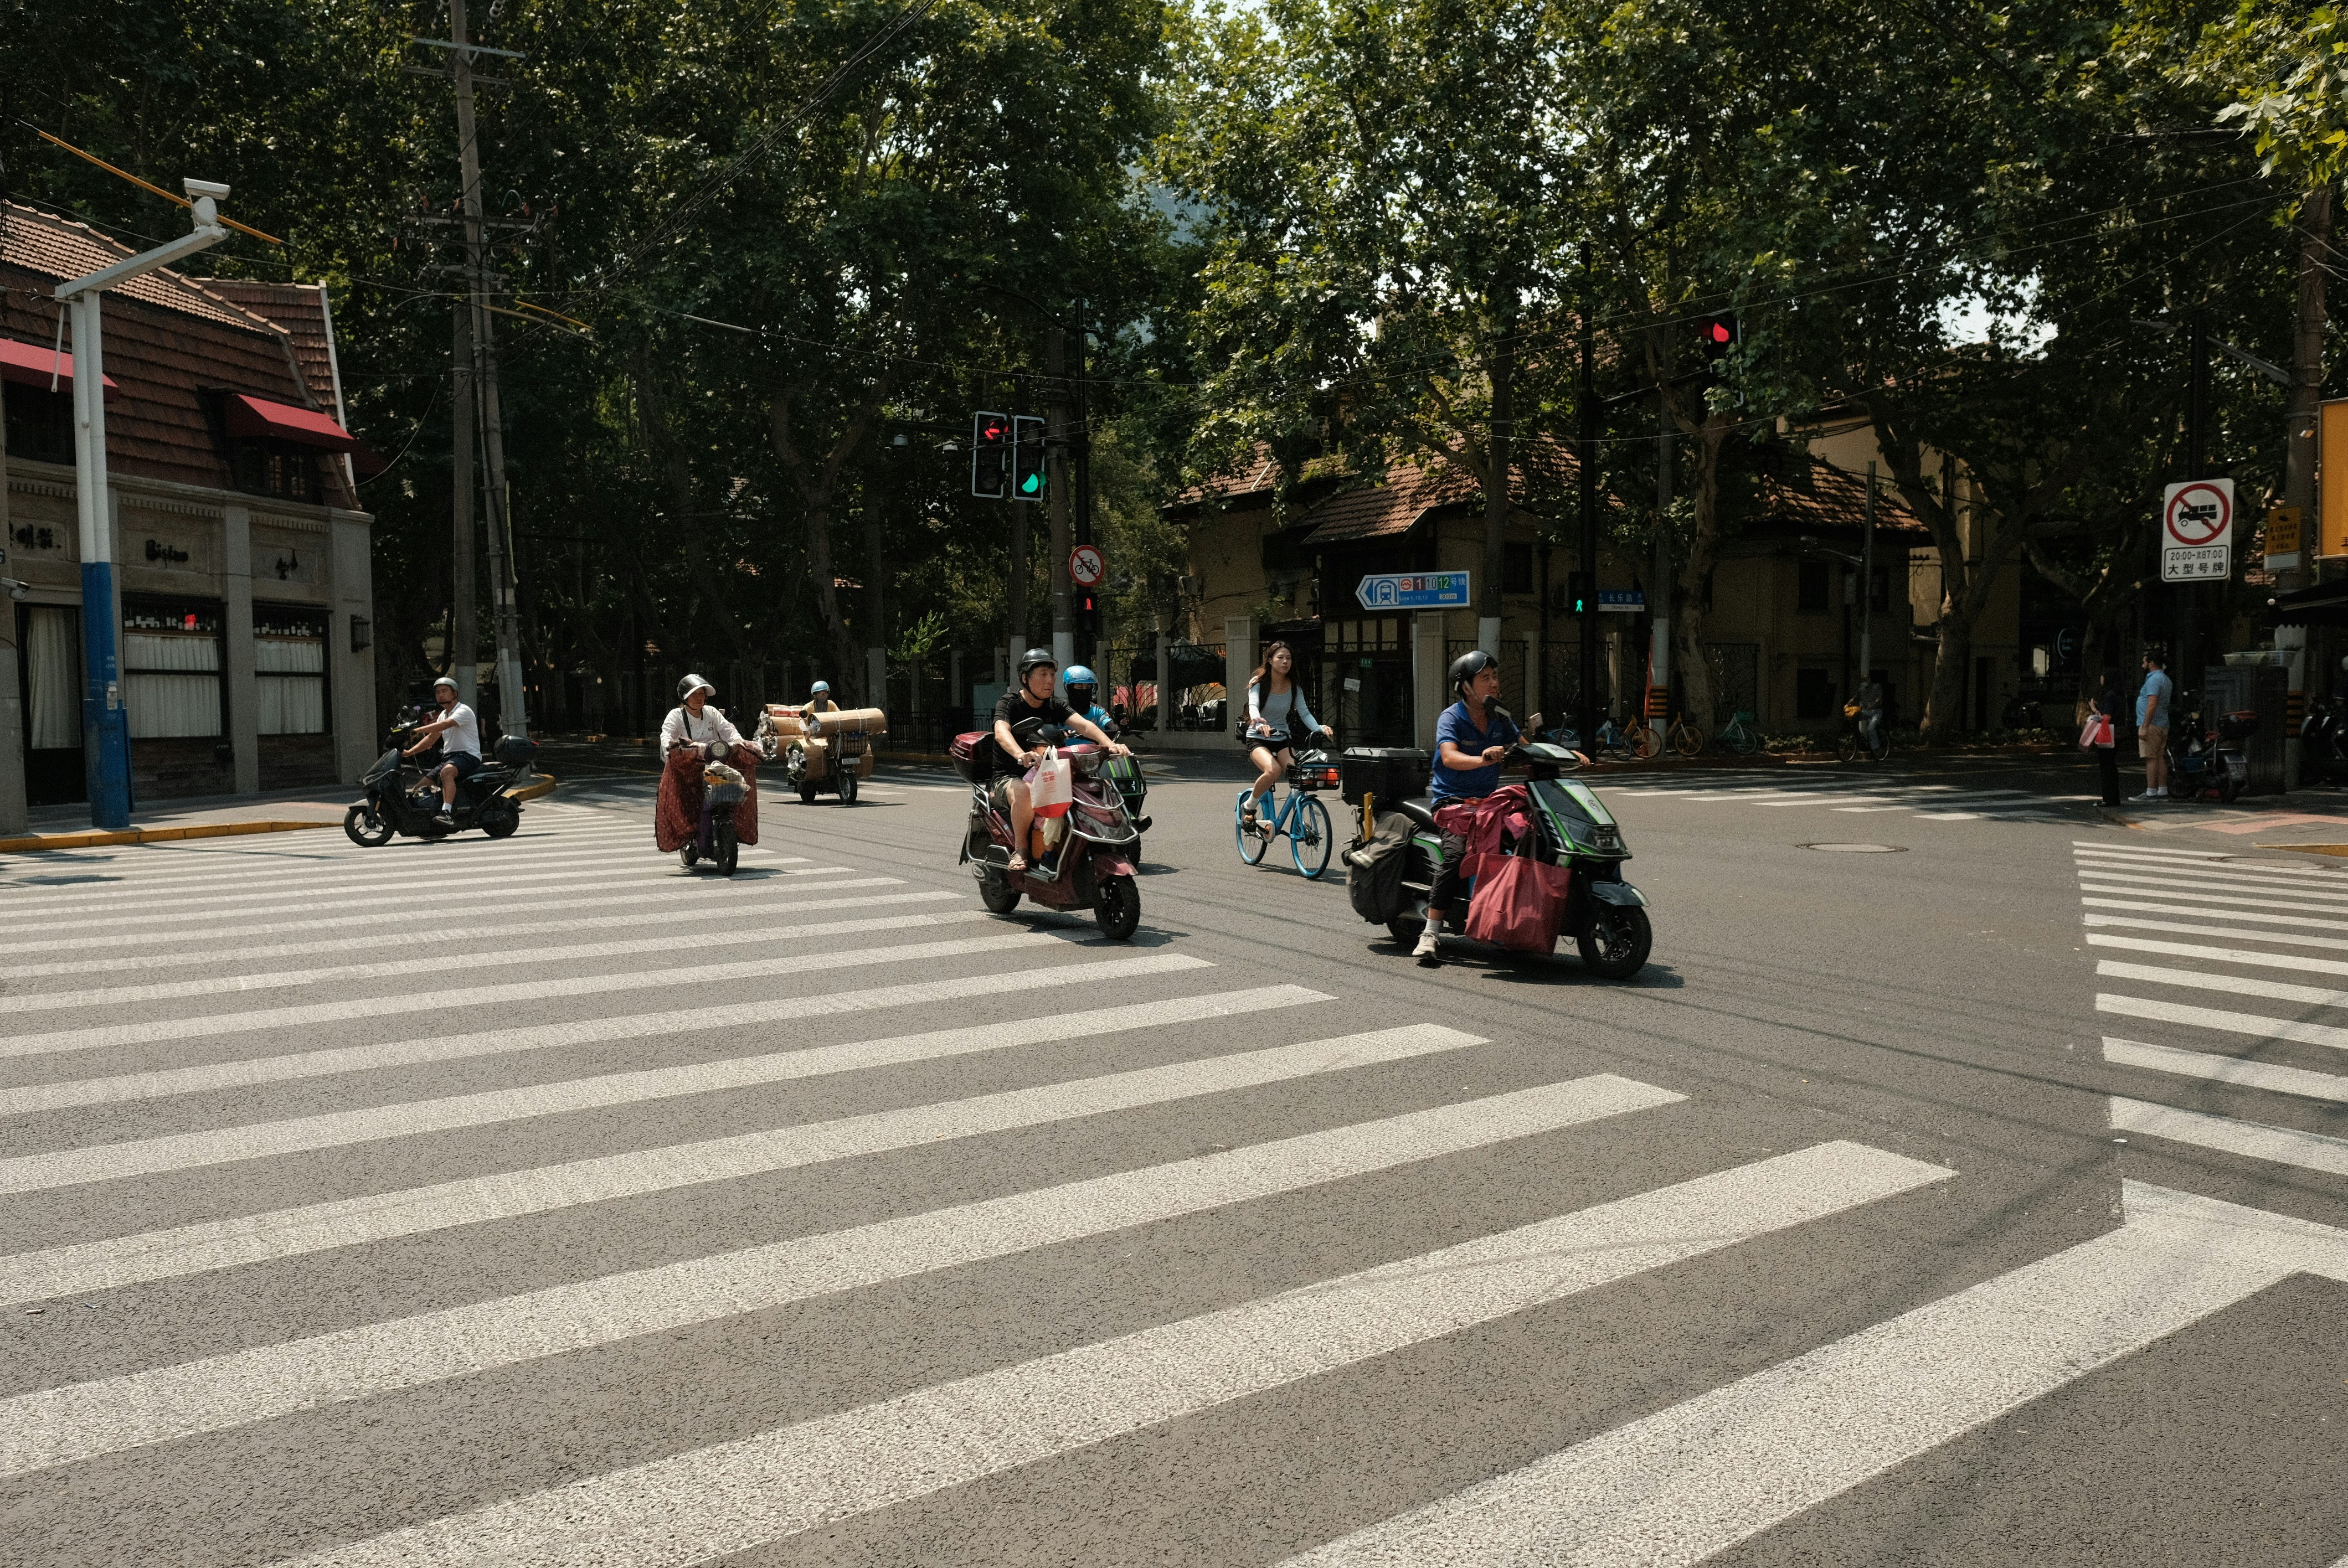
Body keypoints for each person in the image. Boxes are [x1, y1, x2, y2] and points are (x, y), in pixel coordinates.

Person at [1414, 650, 1521, 965]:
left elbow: (1526, 748)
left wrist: (1564, 755)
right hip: (1453, 803)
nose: (1495, 683)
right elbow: (1449, 757)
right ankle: (1430, 932)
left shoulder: (1500, 717)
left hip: (1489, 804)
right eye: (1486, 678)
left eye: (1495, 676)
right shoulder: (1451, 717)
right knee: (1457, 854)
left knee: (1527, 837)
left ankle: (1504, 918)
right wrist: (1482, 759)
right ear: (1466, 687)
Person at [992, 648, 1126, 873]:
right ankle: (1021, 850)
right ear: (1025, 678)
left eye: (1053, 675)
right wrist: (1020, 754)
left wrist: (1109, 744)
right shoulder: (1010, 703)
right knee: (1024, 791)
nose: (1050, 680)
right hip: (1009, 776)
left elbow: (1085, 725)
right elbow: (1001, 731)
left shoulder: (1055, 704)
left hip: (1048, 773)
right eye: (1043, 674)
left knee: (1090, 788)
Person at [1240, 639, 1334, 837]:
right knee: (1273, 770)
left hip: (1282, 738)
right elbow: (1253, 705)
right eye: (1280, 658)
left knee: (1300, 775)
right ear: (1271, 660)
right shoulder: (1259, 682)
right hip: (1258, 737)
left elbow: (1304, 713)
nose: (1285, 662)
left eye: (1289, 658)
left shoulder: (1294, 687)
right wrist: (1258, 721)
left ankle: (1298, 818)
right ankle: (1249, 806)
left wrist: (1319, 728)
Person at [401, 674, 481, 825]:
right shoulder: (443, 715)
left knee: (446, 773)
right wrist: (408, 753)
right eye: (438, 692)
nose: (440, 695)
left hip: (468, 756)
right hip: (450, 758)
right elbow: (431, 739)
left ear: (455, 693)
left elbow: (445, 725)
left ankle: (447, 813)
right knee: (419, 788)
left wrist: (418, 730)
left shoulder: (463, 710)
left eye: (445, 691)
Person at [2134, 650, 2172, 801]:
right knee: (2160, 757)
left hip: (2152, 724)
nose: (2143, 665)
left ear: (2151, 663)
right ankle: (2163, 790)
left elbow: (2152, 703)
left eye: (2145, 662)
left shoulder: (2154, 679)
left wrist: (2145, 726)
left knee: (2150, 758)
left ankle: (2151, 791)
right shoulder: (2166, 679)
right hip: (2162, 723)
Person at [2090, 666, 2124, 807]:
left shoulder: (2109, 695)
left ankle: (2109, 798)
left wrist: (2095, 711)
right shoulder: (2120, 695)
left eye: (2103, 676)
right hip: (2118, 733)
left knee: (2106, 766)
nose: (2101, 678)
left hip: (2108, 734)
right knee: (2111, 765)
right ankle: (2113, 798)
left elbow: (2106, 717)